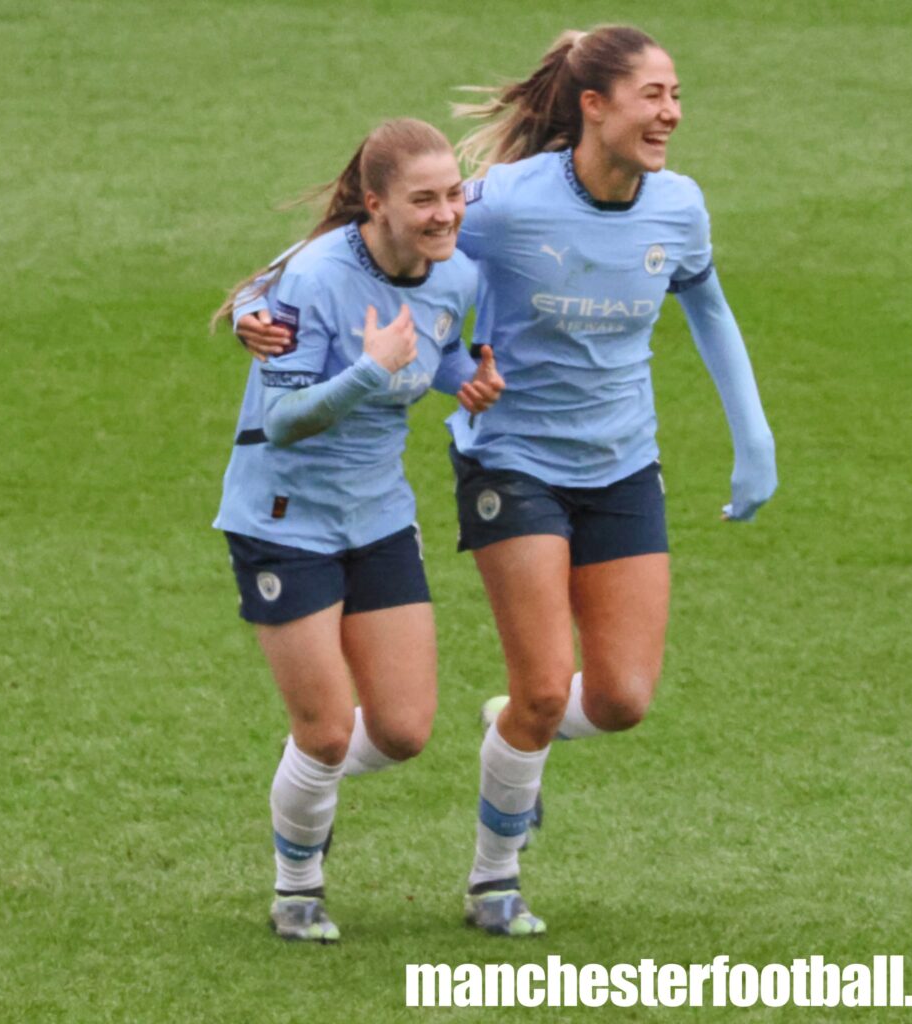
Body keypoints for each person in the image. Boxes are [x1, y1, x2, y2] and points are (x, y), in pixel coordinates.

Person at [238, 25, 777, 939]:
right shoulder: (504, 203)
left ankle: (502, 735)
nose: (673, 113)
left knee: (619, 701)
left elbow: (709, 307)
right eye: (654, 95)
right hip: (511, 459)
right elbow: (371, 236)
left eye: (677, 94)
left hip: (624, 463)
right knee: (536, 687)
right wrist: (258, 303)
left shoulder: (679, 208)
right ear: (593, 106)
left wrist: (753, 436)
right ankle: (493, 882)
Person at [213, 117, 503, 944]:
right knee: (329, 727)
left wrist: (464, 382)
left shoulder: (456, 274)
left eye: (452, 195)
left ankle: (307, 781)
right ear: (374, 204)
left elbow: (435, 349)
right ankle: (297, 886)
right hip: (283, 520)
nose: (446, 213)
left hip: (377, 516)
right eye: (424, 200)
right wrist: (368, 371)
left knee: (405, 730)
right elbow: (286, 420)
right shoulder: (313, 279)